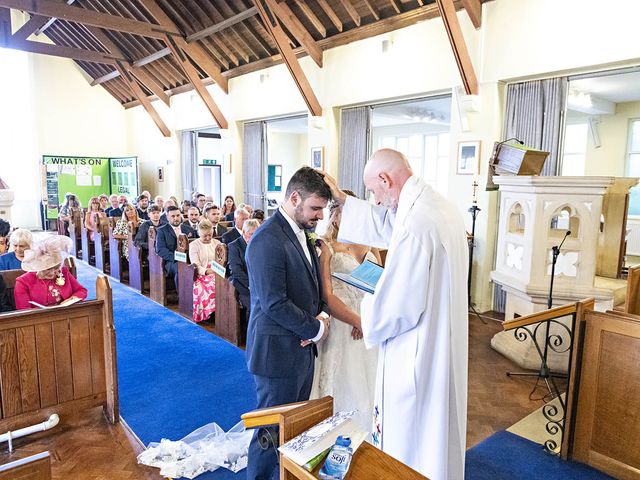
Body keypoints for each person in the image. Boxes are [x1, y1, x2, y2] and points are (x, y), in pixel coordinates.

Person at [323, 149, 468, 480]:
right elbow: (390, 224)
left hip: (419, 348)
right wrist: (345, 200)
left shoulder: (417, 222)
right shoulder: (435, 206)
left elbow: (398, 307)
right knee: (438, 429)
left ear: (386, 179)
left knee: (415, 435)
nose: (376, 200)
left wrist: (367, 311)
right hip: (442, 336)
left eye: (374, 191)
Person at [245, 166, 332, 480]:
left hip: (300, 350)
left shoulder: (300, 232)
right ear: (294, 197)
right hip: (276, 355)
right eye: (315, 208)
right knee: (269, 434)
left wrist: (320, 313)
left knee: (293, 428)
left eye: (323, 209)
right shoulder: (267, 239)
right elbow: (274, 303)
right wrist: (316, 328)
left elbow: (311, 285)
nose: (320, 216)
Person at [310, 191, 380, 433]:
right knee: (345, 377)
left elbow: (379, 284)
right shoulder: (326, 246)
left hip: (369, 320)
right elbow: (326, 296)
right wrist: (356, 320)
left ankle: (371, 426)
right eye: (339, 209)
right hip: (343, 321)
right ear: (334, 214)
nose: (344, 214)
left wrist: (371, 319)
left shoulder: (370, 243)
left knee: (368, 377)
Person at [14, 236, 88, 310]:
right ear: (38, 267)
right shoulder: (23, 282)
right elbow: (24, 311)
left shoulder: (64, 272)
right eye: (48, 269)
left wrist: (72, 299)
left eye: (56, 268)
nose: (52, 273)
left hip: (66, 314)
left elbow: (81, 290)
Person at [156, 206, 196, 289]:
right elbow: (160, 249)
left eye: (178, 216)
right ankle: (182, 297)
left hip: (189, 258)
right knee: (181, 268)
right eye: (173, 216)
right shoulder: (162, 230)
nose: (176, 218)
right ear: (167, 217)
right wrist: (177, 258)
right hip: (172, 261)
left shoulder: (189, 229)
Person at [227, 219, 259, 311]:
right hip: (240, 281)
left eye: (256, 234)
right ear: (244, 232)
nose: (254, 237)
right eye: (251, 234)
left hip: (256, 280)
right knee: (253, 302)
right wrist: (250, 284)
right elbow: (236, 270)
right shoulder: (234, 246)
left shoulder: (258, 244)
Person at [188, 220, 217, 323]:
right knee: (209, 286)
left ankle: (221, 311)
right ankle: (208, 314)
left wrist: (217, 270)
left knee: (226, 283)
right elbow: (195, 265)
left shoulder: (217, 243)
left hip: (217, 272)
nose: (208, 238)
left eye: (210, 235)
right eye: (205, 236)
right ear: (199, 233)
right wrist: (208, 271)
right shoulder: (194, 245)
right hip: (201, 274)